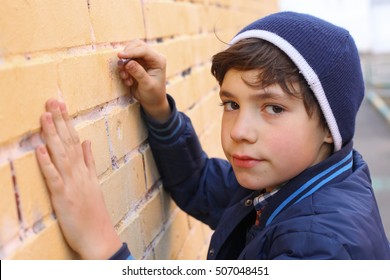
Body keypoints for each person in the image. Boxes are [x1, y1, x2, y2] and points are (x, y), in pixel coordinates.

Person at [36, 11, 390, 259]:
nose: (239, 132)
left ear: (330, 126)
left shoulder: (321, 248)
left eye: (274, 108)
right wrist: (159, 109)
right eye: (231, 104)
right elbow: (199, 183)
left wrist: (102, 247)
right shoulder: (290, 183)